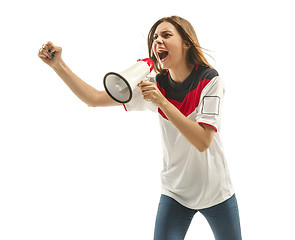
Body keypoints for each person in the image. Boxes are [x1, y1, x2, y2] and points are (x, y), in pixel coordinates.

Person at [38, 15, 242, 240]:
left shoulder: (210, 80)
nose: (158, 41)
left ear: (186, 42)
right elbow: (94, 99)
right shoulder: (154, 86)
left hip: (217, 192)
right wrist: (59, 65)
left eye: (166, 35)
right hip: (176, 193)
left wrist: (162, 102)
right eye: (155, 37)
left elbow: (203, 141)